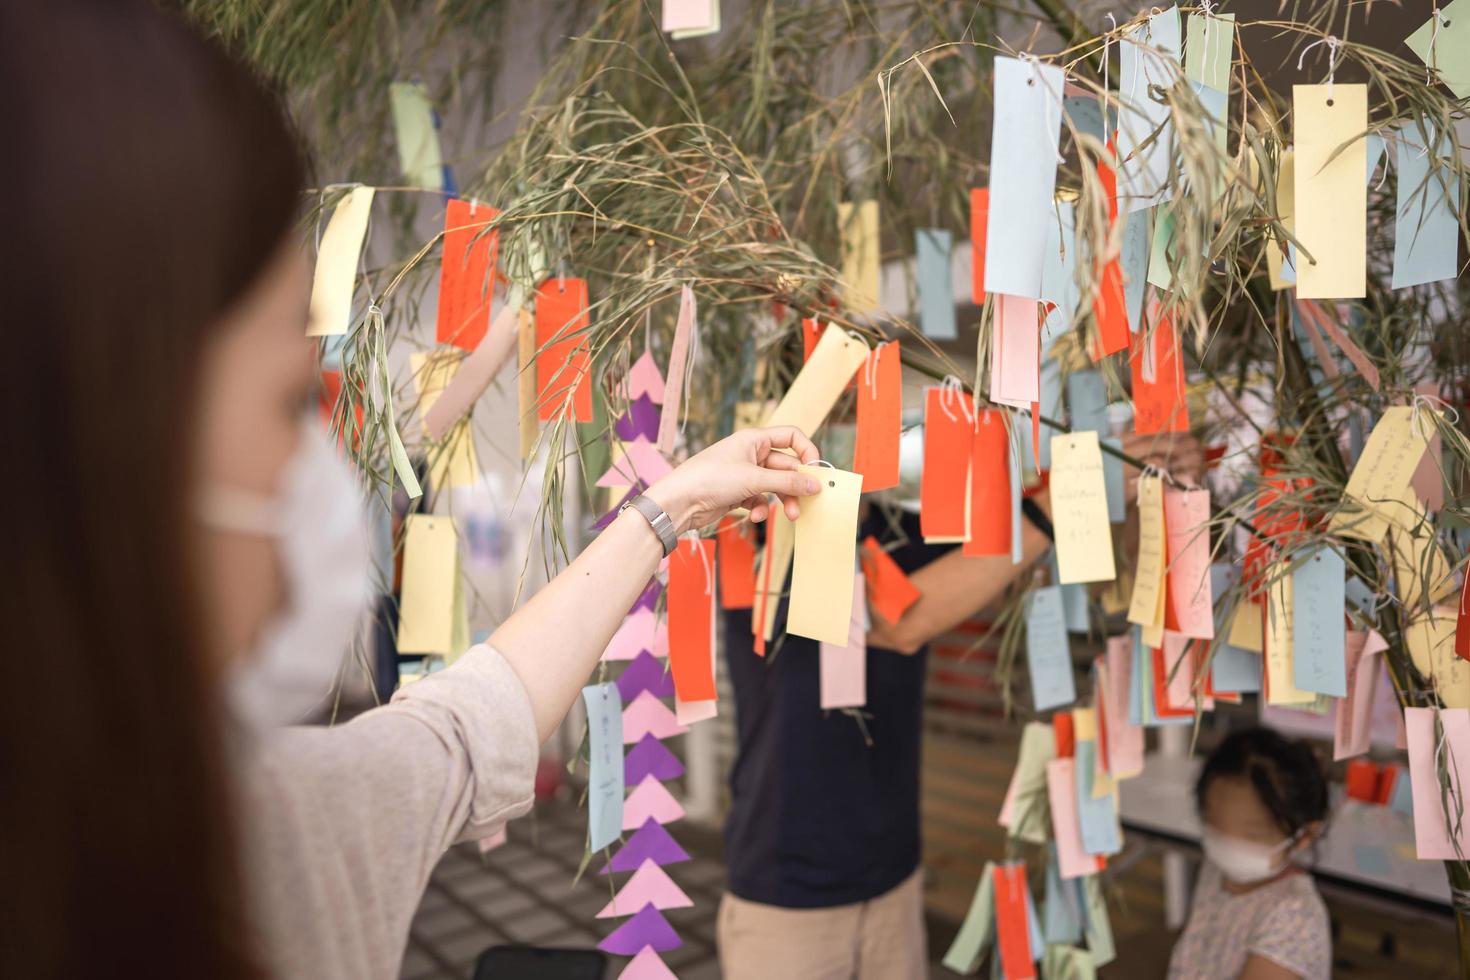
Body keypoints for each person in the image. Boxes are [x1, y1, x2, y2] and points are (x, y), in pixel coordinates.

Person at [0, 3, 823, 977]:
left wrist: (671, 500)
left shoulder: (285, 822)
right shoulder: (285, 841)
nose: (317, 470)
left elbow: (471, 723)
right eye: (285, 402)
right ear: (86, 451)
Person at [718, 429, 1205, 979]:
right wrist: (1060, 500)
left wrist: (1133, 476)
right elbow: (894, 622)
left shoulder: (893, 526)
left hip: (894, 871)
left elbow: (991, 570)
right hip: (785, 888)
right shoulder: (760, 542)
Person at [1168, 728, 1331, 980]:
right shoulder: (1215, 870)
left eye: (1252, 835)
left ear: (1305, 835)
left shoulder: (1294, 919)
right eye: (1216, 824)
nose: (1229, 843)